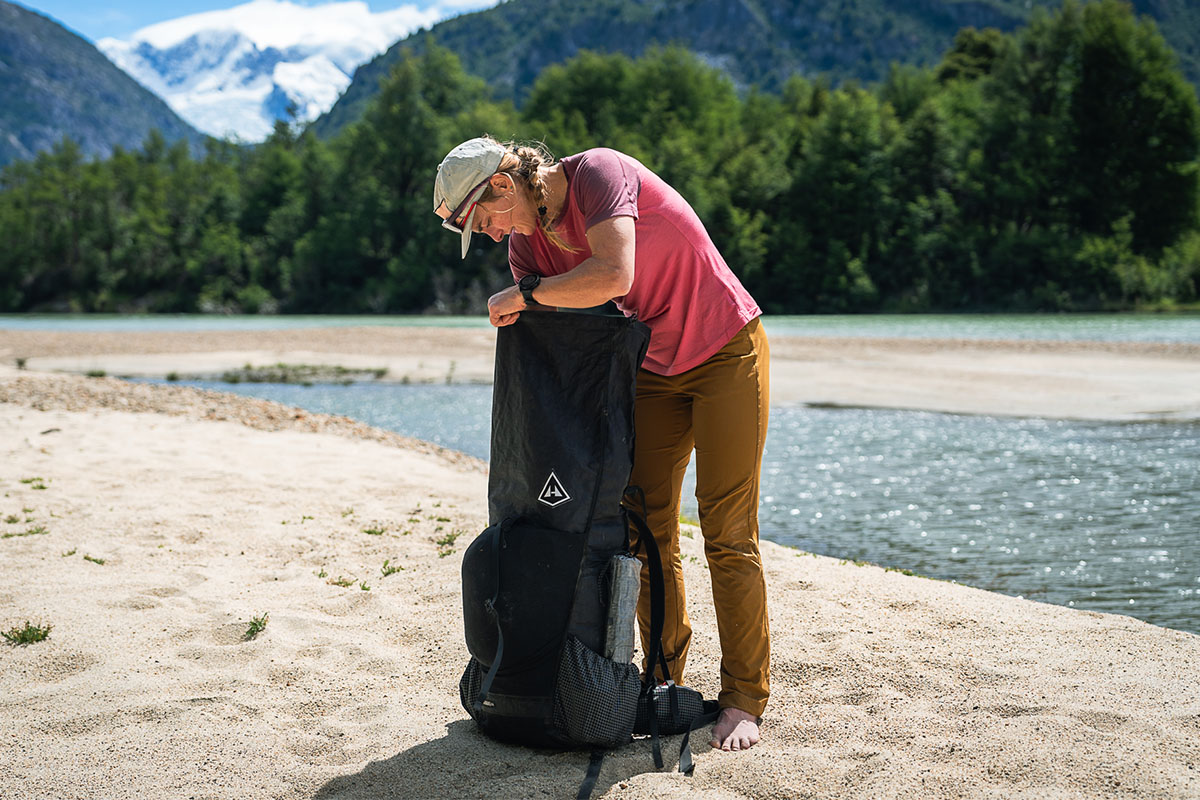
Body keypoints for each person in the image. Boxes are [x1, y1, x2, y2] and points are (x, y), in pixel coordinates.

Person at [433, 137, 770, 752]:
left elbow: (615, 274)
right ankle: (666, 683)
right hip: (649, 372)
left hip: (725, 349)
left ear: (503, 186)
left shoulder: (599, 174)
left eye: (481, 219)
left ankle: (745, 697)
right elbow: (567, 344)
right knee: (643, 530)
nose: (485, 235)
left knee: (727, 531)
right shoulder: (523, 249)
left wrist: (528, 296)